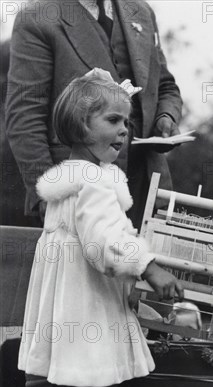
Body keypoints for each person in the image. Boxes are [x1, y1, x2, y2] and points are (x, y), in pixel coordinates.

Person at [16, 69, 183, 387]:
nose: (125, 131)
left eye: (126, 123)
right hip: (87, 312)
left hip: (67, 313)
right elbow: (107, 241)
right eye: (114, 120)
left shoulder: (69, 179)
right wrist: (148, 265)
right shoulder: (96, 182)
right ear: (81, 124)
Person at [5, 0, 183, 230]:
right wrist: (48, 194)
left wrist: (165, 117)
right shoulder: (37, 18)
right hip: (80, 192)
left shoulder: (141, 11)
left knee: (144, 262)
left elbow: (166, 86)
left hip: (148, 187)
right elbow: (24, 117)